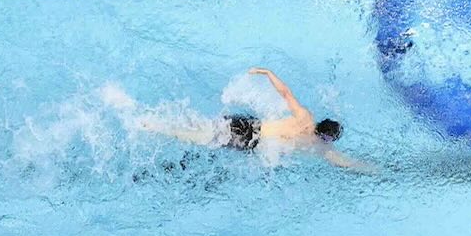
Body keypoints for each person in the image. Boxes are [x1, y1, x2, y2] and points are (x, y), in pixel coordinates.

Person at [132, 68, 369, 172]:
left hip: (248, 123)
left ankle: (157, 119)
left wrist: (267, 72)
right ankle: (154, 126)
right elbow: (344, 162)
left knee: (203, 127)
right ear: (327, 137)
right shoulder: (319, 147)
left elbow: (285, 93)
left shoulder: (305, 117)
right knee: (198, 137)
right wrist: (373, 170)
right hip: (248, 140)